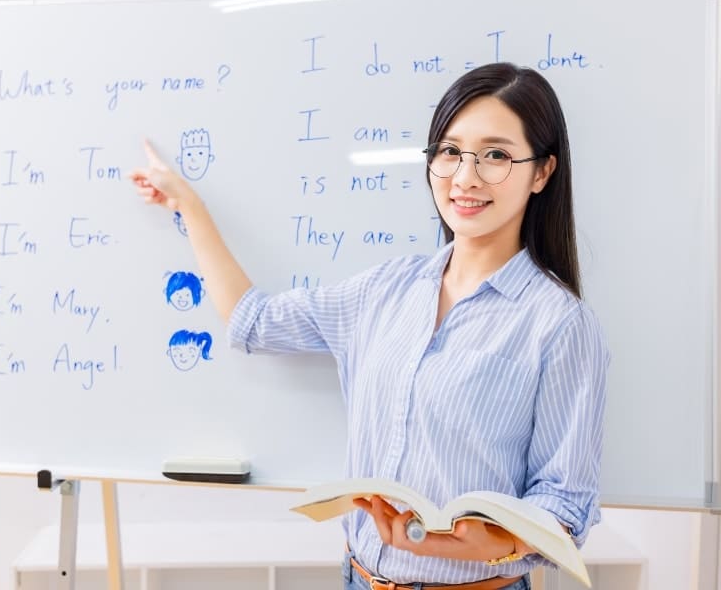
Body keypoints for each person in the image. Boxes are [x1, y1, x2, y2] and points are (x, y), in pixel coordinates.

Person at [130, 62, 609, 590]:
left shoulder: (560, 324)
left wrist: (489, 540)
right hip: (358, 578)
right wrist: (188, 206)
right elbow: (254, 321)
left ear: (541, 172)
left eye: (495, 155)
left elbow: (563, 503)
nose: (465, 178)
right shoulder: (384, 291)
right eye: (450, 152)